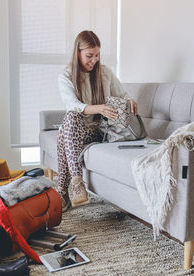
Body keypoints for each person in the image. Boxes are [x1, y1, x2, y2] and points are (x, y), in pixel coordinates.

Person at [57, 30, 138, 212]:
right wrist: (99, 108)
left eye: (97, 55)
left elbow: (123, 95)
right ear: (77, 53)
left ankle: (63, 191)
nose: (94, 60)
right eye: (89, 56)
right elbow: (72, 105)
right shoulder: (66, 76)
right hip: (79, 131)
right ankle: (77, 182)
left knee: (63, 134)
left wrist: (130, 101)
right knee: (70, 119)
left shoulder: (105, 72)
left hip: (102, 131)